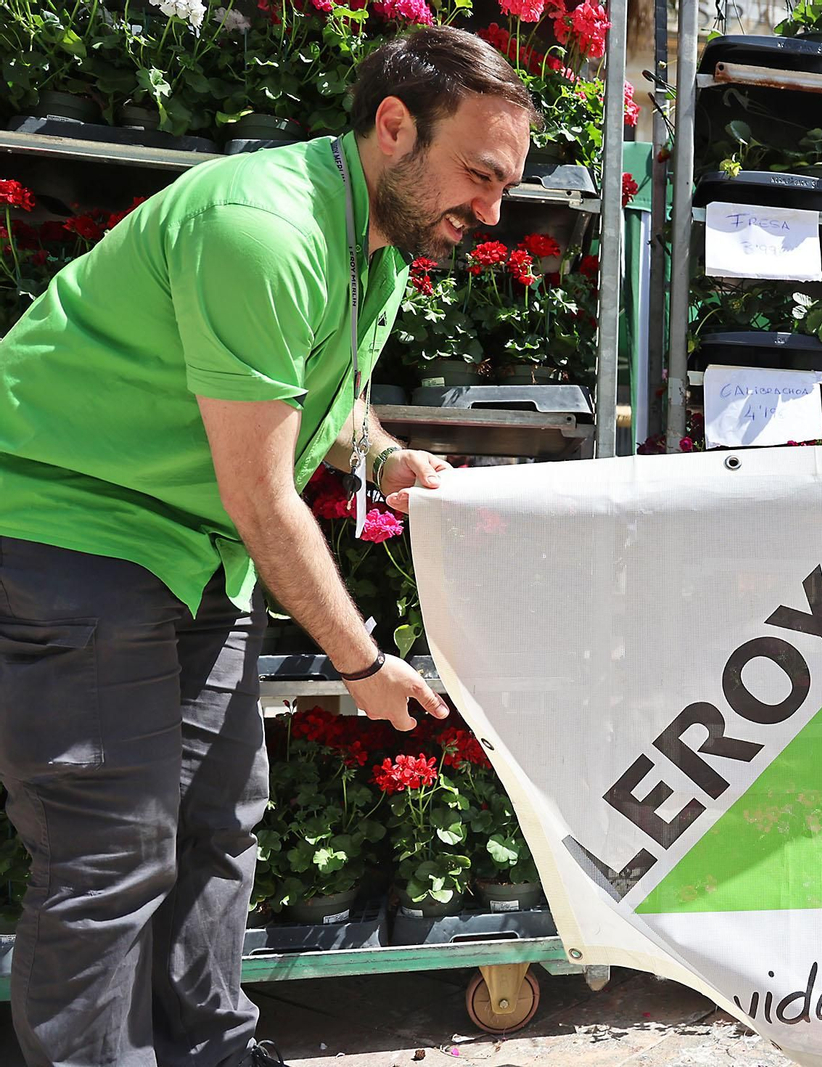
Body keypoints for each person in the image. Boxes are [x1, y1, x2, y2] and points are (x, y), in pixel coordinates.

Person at [0, 26, 535, 1067]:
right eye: (478, 175)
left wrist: (385, 458)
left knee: (218, 823)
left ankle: (211, 1050)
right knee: (112, 849)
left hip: (192, 551)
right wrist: (361, 664)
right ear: (393, 127)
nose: (491, 213)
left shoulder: (374, 240)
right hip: (72, 529)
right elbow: (262, 495)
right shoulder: (264, 230)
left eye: (505, 186)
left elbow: (305, 399)